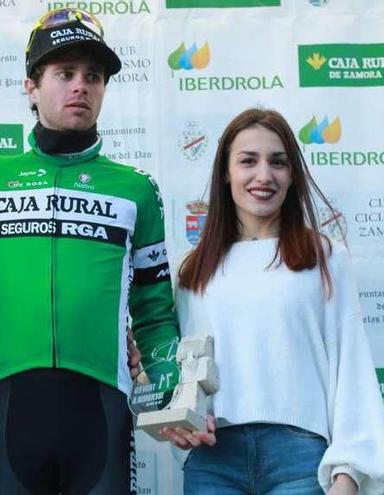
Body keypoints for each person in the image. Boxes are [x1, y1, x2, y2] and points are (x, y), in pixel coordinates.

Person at [0, 8, 179, 495]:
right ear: (32, 85)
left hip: (101, 404)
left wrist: (166, 383)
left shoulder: (136, 189)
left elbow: (153, 306)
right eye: (64, 73)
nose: (81, 86)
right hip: (15, 401)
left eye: (94, 76)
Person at [162, 108, 384, 495]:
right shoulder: (191, 270)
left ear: (292, 174)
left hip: (301, 459)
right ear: (225, 173)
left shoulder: (324, 255)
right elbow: (174, 371)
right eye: (248, 161)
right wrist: (175, 420)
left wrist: (348, 472)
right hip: (212, 463)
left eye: (277, 162)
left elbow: (351, 364)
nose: (264, 175)